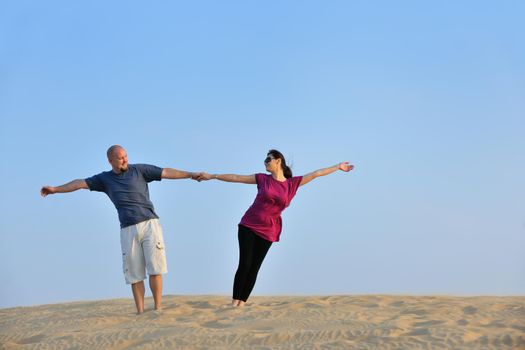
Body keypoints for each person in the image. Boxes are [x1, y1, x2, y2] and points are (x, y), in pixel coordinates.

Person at [40, 145, 200, 314]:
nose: (125, 160)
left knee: (156, 268)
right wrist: (55, 190)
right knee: (134, 274)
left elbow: (166, 172)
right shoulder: (104, 179)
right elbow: (79, 183)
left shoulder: (140, 170)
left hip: (150, 224)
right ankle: (140, 312)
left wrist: (190, 175)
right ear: (110, 161)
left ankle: (157, 309)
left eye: (126, 156)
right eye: (120, 158)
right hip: (127, 229)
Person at [197, 149, 354, 307]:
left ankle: (242, 304)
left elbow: (316, 173)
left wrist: (337, 167)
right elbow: (237, 178)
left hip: (269, 230)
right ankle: (234, 303)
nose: (265, 162)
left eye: (268, 159)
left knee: (254, 267)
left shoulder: (292, 184)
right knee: (244, 264)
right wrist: (212, 176)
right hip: (249, 225)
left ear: (278, 161)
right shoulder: (262, 179)